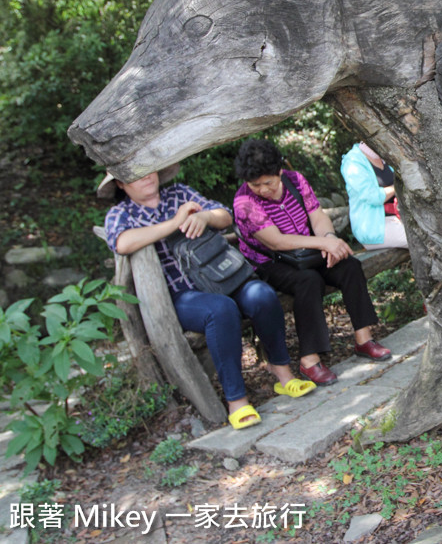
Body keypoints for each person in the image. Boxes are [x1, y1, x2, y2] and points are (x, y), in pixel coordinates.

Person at [101, 165, 315, 431]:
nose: (145, 176)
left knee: (262, 294)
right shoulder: (121, 214)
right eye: (135, 174)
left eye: (148, 169)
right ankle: (237, 400)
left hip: (220, 278)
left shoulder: (179, 193)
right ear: (120, 184)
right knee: (221, 309)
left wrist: (204, 217)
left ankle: (281, 372)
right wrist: (174, 223)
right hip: (180, 296)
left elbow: (225, 215)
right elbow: (122, 243)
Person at [233, 140, 392, 383]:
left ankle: (364, 339)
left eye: (268, 182)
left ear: (279, 171)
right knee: (308, 281)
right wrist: (322, 244)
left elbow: (317, 216)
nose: (263, 189)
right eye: (256, 185)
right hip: (271, 262)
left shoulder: (294, 180)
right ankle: (309, 359)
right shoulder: (244, 202)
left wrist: (329, 238)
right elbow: (275, 242)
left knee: (349, 266)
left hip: (306, 250)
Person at [340, 143, 408, 250]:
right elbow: (372, 197)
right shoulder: (352, 161)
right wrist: (397, 187)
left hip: (399, 217)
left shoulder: (383, 155)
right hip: (374, 228)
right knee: (424, 238)